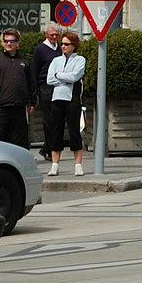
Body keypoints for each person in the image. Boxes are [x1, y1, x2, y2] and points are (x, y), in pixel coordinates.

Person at [0, 28, 36, 149]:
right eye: (6, 41)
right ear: (2, 43)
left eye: (12, 41)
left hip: (19, 107)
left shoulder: (24, 61)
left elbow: (31, 83)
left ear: (18, 43)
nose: (9, 43)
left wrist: (32, 103)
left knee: (20, 142)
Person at [43, 32, 87, 176]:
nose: (63, 46)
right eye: (62, 43)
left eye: (66, 44)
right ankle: (55, 164)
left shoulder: (80, 60)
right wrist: (65, 78)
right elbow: (49, 79)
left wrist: (59, 75)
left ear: (73, 46)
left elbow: (75, 76)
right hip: (57, 98)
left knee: (74, 130)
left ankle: (78, 164)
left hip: (73, 98)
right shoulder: (56, 61)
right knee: (56, 130)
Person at [30, 29, 61, 161]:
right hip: (45, 87)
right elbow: (35, 69)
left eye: (56, 35)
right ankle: (49, 149)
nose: (54, 37)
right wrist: (35, 90)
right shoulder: (40, 49)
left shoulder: (59, 48)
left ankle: (48, 148)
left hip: (59, 86)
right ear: (46, 35)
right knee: (49, 119)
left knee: (57, 118)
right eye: (51, 35)